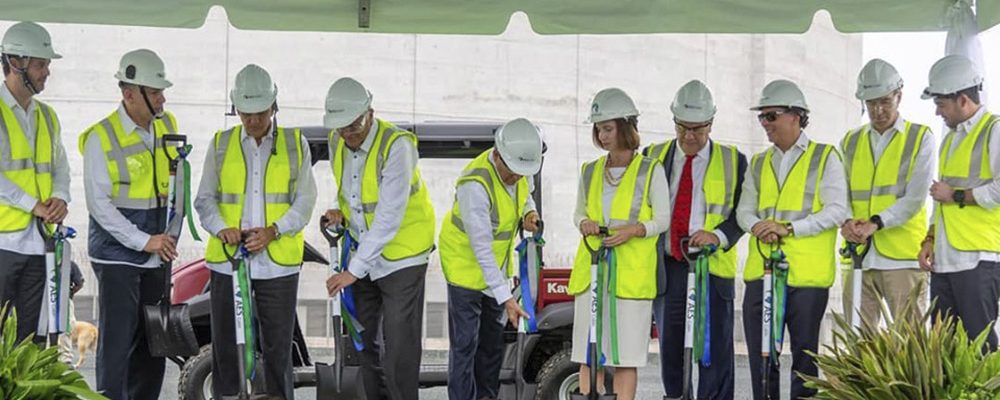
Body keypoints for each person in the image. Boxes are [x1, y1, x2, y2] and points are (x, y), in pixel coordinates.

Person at [195, 64, 316, 399]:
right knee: (226, 351)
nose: (252, 121)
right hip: (228, 263)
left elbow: (305, 200)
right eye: (245, 114)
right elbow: (204, 200)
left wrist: (275, 231)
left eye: (259, 113)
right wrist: (222, 229)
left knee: (279, 352)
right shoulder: (220, 144)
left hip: (278, 266)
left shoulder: (295, 144)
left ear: (273, 106)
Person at [323, 77, 435, 400]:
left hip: (403, 258)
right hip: (363, 255)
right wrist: (336, 207)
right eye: (342, 129)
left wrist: (352, 271)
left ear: (370, 113)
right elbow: (350, 186)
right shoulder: (337, 140)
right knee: (363, 343)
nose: (348, 135)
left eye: (354, 127)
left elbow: (388, 217)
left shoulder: (397, 146)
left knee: (399, 350)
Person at [737, 79, 849, 400]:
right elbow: (744, 211)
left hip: (807, 278)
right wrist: (758, 225)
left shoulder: (825, 157)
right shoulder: (758, 163)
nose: (764, 124)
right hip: (763, 274)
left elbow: (837, 210)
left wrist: (788, 228)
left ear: (795, 116)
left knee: (804, 361)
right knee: (762, 361)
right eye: (761, 117)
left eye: (770, 116)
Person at [80, 48, 178, 399]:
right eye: (155, 93)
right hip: (117, 254)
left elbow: (174, 182)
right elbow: (99, 206)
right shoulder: (101, 138)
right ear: (129, 94)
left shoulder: (167, 125)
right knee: (118, 342)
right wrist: (143, 240)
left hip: (157, 253)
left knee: (155, 343)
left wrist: (169, 234)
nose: (162, 98)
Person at [643, 80, 746, 400]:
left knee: (713, 353)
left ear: (711, 124)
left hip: (712, 271)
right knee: (672, 351)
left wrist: (716, 235)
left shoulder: (734, 160)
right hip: (669, 267)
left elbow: (743, 215)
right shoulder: (652, 156)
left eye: (698, 129)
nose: (689, 136)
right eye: (682, 128)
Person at [570, 88, 669, 400]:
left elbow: (662, 219)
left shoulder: (651, 170)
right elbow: (578, 213)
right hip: (593, 273)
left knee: (626, 355)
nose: (602, 135)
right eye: (599, 129)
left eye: (608, 128)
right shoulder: (589, 171)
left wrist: (635, 230)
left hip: (631, 277)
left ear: (626, 128)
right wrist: (583, 223)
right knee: (588, 352)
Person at [439, 117, 542, 400]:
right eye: (512, 172)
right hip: (464, 267)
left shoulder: (521, 165)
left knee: (491, 345)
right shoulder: (474, 185)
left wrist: (528, 214)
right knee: (465, 346)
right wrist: (507, 299)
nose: (517, 177)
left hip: (495, 269)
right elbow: (481, 248)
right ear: (497, 154)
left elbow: (526, 195)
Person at [840, 59, 934, 325]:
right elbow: (840, 193)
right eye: (870, 103)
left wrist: (875, 223)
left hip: (903, 258)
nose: (877, 110)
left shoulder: (920, 137)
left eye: (884, 101)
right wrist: (847, 221)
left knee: (910, 347)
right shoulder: (850, 141)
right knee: (858, 346)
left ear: (899, 96)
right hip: (860, 257)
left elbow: (915, 197)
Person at [918, 54, 1000, 350]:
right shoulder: (950, 139)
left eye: (941, 104)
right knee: (943, 350)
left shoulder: (994, 130)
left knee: (980, 349)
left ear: (963, 99)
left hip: (978, 258)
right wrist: (929, 238)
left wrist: (955, 195)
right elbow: (940, 199)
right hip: (945, 259)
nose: (938, 112)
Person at [0, 21, 70, 344]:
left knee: (30, 341)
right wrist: (35, 206)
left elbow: (61, 166)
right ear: (16, 63)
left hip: (39, 246)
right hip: (4, 245)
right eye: (41, 64)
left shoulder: (47, 116)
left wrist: (59, 197)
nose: (47, 72)